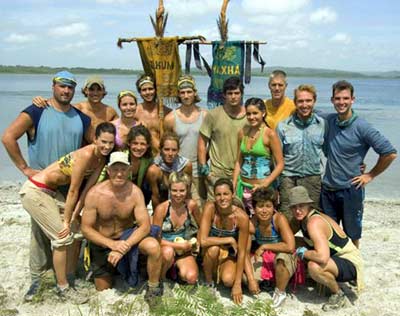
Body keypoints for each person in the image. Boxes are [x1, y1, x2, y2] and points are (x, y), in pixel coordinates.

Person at [1, 70, 91, 301]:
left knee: (71, 230)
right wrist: (24, 168)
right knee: (39, 234)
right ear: (53, 87)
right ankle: (38, 279)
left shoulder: (80, 117)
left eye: (70, 87)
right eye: (62, 86)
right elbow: (8, 136)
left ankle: (67, 276)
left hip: (68, 186)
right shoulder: (37, 111)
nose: (66, 90)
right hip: (41, 183)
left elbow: (97, 142)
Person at [18, 122, 116, 301]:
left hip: (53, 194)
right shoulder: (86, 154)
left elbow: (85, 192)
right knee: (61, 236)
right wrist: (66, 220)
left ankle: (69, 276)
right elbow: (73, 190)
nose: (107, 146)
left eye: (110, 143)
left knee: (77, 232)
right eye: (103, 142)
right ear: (95, 139)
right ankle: (62, 288)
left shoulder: (102, 160)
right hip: (35, 190)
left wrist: (74, 217)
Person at [321, 80, 397, 248]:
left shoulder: (362, 127)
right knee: (328, 235)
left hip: (351, 190)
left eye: (345, 98)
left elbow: (390, 153)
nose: (341, 102)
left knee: (352, 235)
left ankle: (354, 270)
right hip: (328, 189)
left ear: (352, 99)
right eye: (338, 98)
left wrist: (370, 175)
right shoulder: (330, 120)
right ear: (332, 100)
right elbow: (307, 111)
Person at [81, 151, 163, 302]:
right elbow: (86, 228)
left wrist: (123, 246)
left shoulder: (135, 193)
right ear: (108, 170)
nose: (119, 174)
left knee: (153, 246)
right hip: (103, 244)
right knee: (103, 287)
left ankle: (154, 288)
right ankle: (113, 269)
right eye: (115, 169)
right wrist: (112, 244)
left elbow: (145, 226)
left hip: (127, 240)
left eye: (123, 169)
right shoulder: (95, 194)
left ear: (129, 170)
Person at [289, 186, 364, 311]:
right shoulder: (303, 218)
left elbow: (323, 258)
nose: (297, 210)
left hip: (349, 261)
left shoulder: (314, 223)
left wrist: (304, 253)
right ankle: (317, 278)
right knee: (294, 241)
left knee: (314, 266)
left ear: (308, 205)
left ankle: (338, 294)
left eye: (301, 205)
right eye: (294, 207)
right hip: (335, 257)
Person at [199, 178, 256, 305]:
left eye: (226, 194)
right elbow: (203, 241)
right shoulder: (210, 208)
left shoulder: (241, 217)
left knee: (228, 281)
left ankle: (236, 276)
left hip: (229, 254)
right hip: (211, 250)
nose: (222, 198)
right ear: (214, 196)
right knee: (213, 249)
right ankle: (208, 282)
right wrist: (229, 239)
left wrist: (237, 284)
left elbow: (241, 252)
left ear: (233, 194)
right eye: (218, 194)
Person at [277, 85, 325, 231]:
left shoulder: (322, 124)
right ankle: (286, 251)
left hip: (312, 178)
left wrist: (357, 165)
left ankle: (312, 252)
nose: (305, 105)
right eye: (301, 101)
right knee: (288, 220)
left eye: (308, 101)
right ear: (295, 102)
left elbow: (331, 150)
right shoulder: (283, 126)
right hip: (289, 179)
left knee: (312, 221)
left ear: (314, 101)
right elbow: (277, 158)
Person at [233, 97, 284, 215]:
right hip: (243, 186)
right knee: (243, 220)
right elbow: (238, 161)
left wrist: (266, 182)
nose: (252, 117)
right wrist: (234, 184)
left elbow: (280, 164)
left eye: (255, 113)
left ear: (263, 113)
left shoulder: (270, 134)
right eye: (248, 114)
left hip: (263, 188)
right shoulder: (242, 133)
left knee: (263, 221)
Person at [198, 76, 247, 200]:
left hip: (242, 173)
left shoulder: (250, 117)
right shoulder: (213, 115)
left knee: (239, 213)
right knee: (213, 212)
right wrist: (205, 169)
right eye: (230, 93)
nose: (233, 96)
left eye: (237, 93)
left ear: (241, 94)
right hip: (217, 173)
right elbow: (202, 143)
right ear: (224, 95)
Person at [32, 75, 118, 143]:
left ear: (103, 91)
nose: (95, 93)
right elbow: (57, 108)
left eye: (99, 89)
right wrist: (40, 100)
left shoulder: (110, 112)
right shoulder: (77, 109)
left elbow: (120, 132)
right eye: (91, 89)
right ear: (85, 91)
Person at [164, 75, 208, 207]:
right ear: (178, 95)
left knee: (199, 206)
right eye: (182, 92)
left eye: (189, 92)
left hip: (199, 170)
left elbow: (211, 144)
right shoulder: (171, 118)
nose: (186, 95)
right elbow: (167, 146)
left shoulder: (205, 115)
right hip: (178, 170)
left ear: (194, 93)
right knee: (178, 206)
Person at [250, 187, 296, 308]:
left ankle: (280, 292)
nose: (264, 210)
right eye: (260, 206)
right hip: (265, 258)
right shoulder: (253, 221)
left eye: (268, 206)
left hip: (282, 254)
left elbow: (290, 246)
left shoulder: (278, 219)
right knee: (247, 278)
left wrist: (265, 246)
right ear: (254, 208)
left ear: (273, 207)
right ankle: (268, 282)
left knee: (281, 260)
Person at [152, 172, 201, 284]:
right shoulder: (162, 209)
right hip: (165, 248)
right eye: (174, 190)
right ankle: (161, 278)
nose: (178, 194)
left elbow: (202, 225)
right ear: (169, 189)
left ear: (187, 190)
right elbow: (155, 239)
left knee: (191, 277)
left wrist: (197, 241)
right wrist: (178, 246)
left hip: (183, 248)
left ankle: (175, 270)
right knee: (168, 252)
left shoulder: (191, 205)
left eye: (182, 191)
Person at [147, 132, 192, 210]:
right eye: (166, 149)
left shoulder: (186, 166)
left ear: (178, 150)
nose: (170, 153)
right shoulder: (154, 170)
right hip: (160, 206)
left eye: (174, 150)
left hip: (180, 206)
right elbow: (155, 197)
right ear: (161, 149)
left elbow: (187, 193)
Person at [135, 74, 172, 155]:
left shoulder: (167, 112)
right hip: (142, 155)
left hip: (161, 155)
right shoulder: (135, 112)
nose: (148, 92)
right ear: (140, 92)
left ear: (156, 90)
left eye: (150, 89)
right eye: (144, 90)